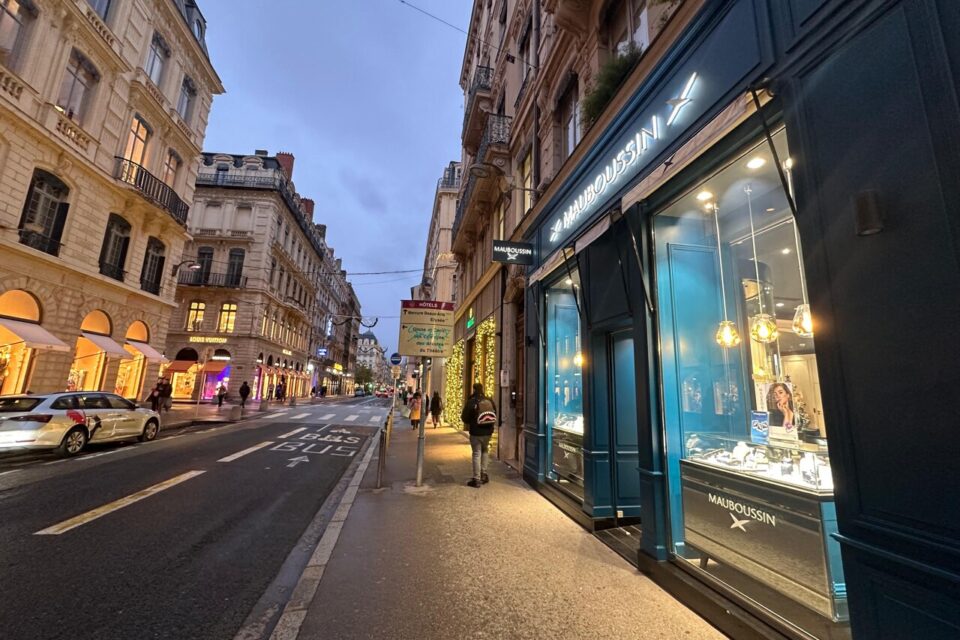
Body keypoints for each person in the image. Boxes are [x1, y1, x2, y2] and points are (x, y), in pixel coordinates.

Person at [461, 383, 498, 488]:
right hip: (488, 432)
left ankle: (476, 479)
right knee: (485, 451)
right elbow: (495, 413)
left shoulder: (471, 401)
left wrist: (472, 421)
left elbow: (464, 418)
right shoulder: (489, 400)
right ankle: (484, 475)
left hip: (476, 432)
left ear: (473, 389)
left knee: (477, 453)